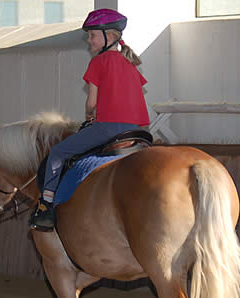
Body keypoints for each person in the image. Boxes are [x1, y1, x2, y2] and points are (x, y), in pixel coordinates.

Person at [29, 8, 150, 232]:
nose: (89, 40)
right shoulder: (131, 65)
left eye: (92, 35)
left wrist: (90, 115)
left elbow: (92, 103)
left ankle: (45, 206)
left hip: (109, 129)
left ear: (109, 37)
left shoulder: (98, 62)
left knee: (57, 153)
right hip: (138, 130)